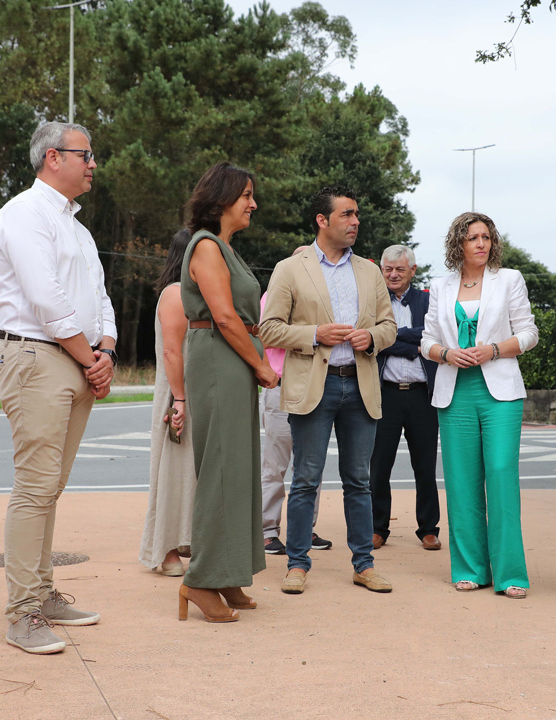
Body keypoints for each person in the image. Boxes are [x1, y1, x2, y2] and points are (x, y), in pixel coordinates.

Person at [0, 122, 118, 654]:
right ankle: (21, 612)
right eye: (85, 155)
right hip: (38, 356)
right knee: (35, 487)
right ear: (51, 157)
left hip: (75, 359)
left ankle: (41, 596)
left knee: (50, 488)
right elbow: (45, 298)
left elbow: (100, 297)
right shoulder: (24, 212)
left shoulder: (79, 229)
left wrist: (106, 352)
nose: (93, 164)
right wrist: (90, 357)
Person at [259, 186, 397, 595]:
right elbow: (269, 328)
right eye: (347, 215)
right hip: (313, 388)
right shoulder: (290, 268)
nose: (356, 222)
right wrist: (315, 334)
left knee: (359, 481)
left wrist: (370, 338)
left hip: (359, 385)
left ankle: (364, 565)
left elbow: (389, 327)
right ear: (322, 221)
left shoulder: (370, 271)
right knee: (305, 479)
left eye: (357, 214)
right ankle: (297, 564)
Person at [178, 162, 276, 623]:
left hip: (230, 358)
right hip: (219, 356)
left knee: (237, 468)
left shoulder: (226, 248)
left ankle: (225, 571)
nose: (253, 204)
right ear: (221, 200)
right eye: (246, 195)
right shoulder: (205, 246)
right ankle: (199, 581)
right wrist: (259, 363)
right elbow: (224, 316)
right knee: (221, 467)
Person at [420, 212, 538, 597]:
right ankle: (470, 567)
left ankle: (510, 575)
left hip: (500, 391)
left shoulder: (510, 280)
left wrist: (493, 349)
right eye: (473, 238)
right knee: (461, 482)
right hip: (454, 393)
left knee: (501, 475)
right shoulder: (440, 286)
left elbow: (529, 333)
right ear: (459, 244)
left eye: (486, 237)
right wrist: (445, 354)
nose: (481, 244)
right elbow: (426, 341)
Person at [369, 244, 441, 551]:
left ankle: (428, 528)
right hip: (384, 394)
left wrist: (396, 336)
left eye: (400, 269)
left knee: (425, 465)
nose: (393, 274)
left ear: (412, 270)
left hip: (423, 396)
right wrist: (411, 343)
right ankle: (377, 528)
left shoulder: (427, 300)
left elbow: (432, 336)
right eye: (388, 269)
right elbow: (373, 342)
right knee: (378, 465)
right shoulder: (373, 303)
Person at [260, 245, 330, 556]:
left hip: (314, 386)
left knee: (310, 465)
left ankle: (305, 528)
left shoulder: (319, 298)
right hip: (283, 384)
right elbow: (265, 333)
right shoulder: (275, 293)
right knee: (275, 464)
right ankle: (266, 530)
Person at [139, 229, 196, 577]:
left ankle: (188, 542)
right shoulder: (175, 294)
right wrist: (179, 398)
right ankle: (167, 550)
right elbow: (172, 351)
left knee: (193, 476)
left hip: (197, 394)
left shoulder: (203, 294)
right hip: (178, 393)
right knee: (172, 472)